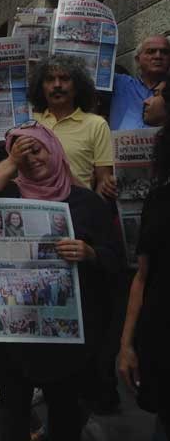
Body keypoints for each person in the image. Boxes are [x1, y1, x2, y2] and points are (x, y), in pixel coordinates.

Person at [0, 123, 119, 441]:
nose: (32, 159)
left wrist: (89, 252)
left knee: (65, 411)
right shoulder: (8, 197)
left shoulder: (87, 203)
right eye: (22, 154)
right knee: (13, 410)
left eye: (37, 149)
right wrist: (12, 162)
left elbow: (116, 258)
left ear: (54, 149)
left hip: (69, 336)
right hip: (17, 331)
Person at [118, 83, 170, 438]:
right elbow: (142, 275)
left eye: (160, 93)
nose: (147, 100)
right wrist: (126, 344)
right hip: (160, 331)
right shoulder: (159, 197)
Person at [29, 55, 115, 197]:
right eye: (50, 79)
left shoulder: (96, 124)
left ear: (77, 87)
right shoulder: (28, 121)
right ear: (41, 88)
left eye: (64, 78)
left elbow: (103, 181)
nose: (57, 85)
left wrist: (97, 210)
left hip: (79, 208)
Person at [109, 35, 170, 130]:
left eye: (164, 52)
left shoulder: (167, 91)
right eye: (151, 51)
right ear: (138, 59)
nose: (158, 56)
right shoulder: (120, 83)